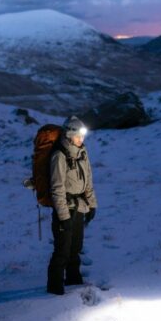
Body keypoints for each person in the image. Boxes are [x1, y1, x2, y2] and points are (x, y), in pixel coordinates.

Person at [47, 116, 98, 295]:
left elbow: (88, 180)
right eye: (78, 136)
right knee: (62, 250)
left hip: (80, 206)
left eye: (82, 136)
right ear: (69, 135)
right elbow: (57, 188)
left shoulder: (82, 152)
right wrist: (63, 217)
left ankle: (74, 281)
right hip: (65, 208)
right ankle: (55, 289)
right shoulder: (59, 155)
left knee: (75, 248)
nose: (81, 139)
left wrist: (92, 204)